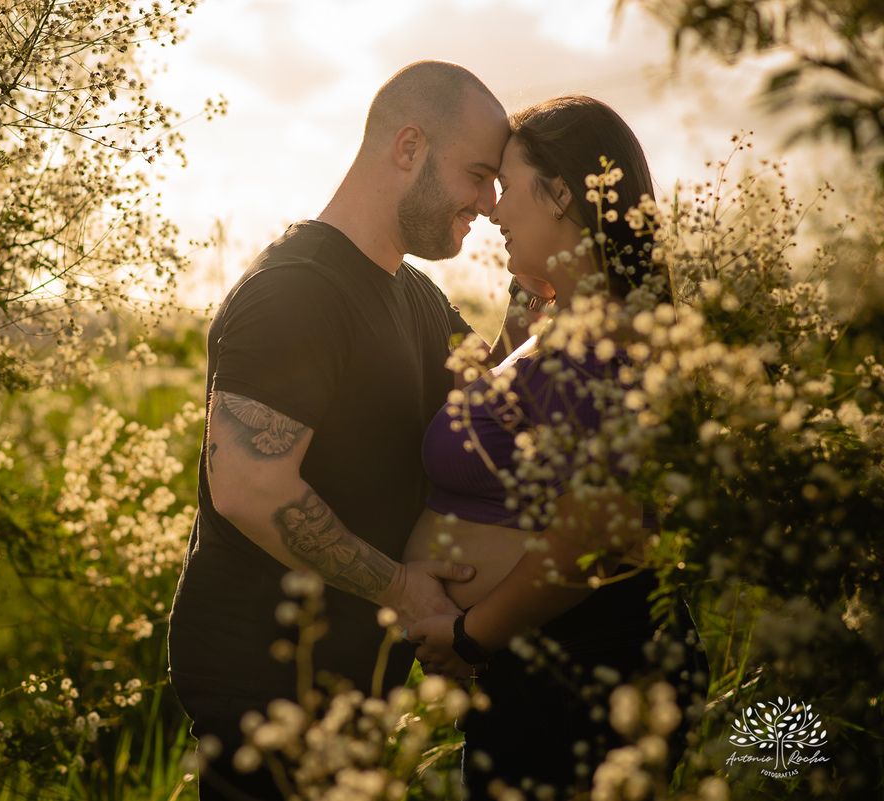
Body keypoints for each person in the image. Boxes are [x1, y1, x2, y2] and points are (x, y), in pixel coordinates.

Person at [167, 61, 511, 801]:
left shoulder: (417, 296)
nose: (490, 201)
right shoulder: (295, 293)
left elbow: (498, 401)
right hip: (267, 691)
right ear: (409, 147)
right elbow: (251, 490)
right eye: (479, 175)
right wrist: (406, 592)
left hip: (355, 693)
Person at [404, 96, 709, 798]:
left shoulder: (610, 335)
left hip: (583, 671)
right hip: (546, 668)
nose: (492, 208)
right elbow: (521, 413)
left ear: (564, 192)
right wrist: (533, 279)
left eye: (507, 187)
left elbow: (596, 527)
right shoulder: (569, 327)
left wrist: (473, 633)